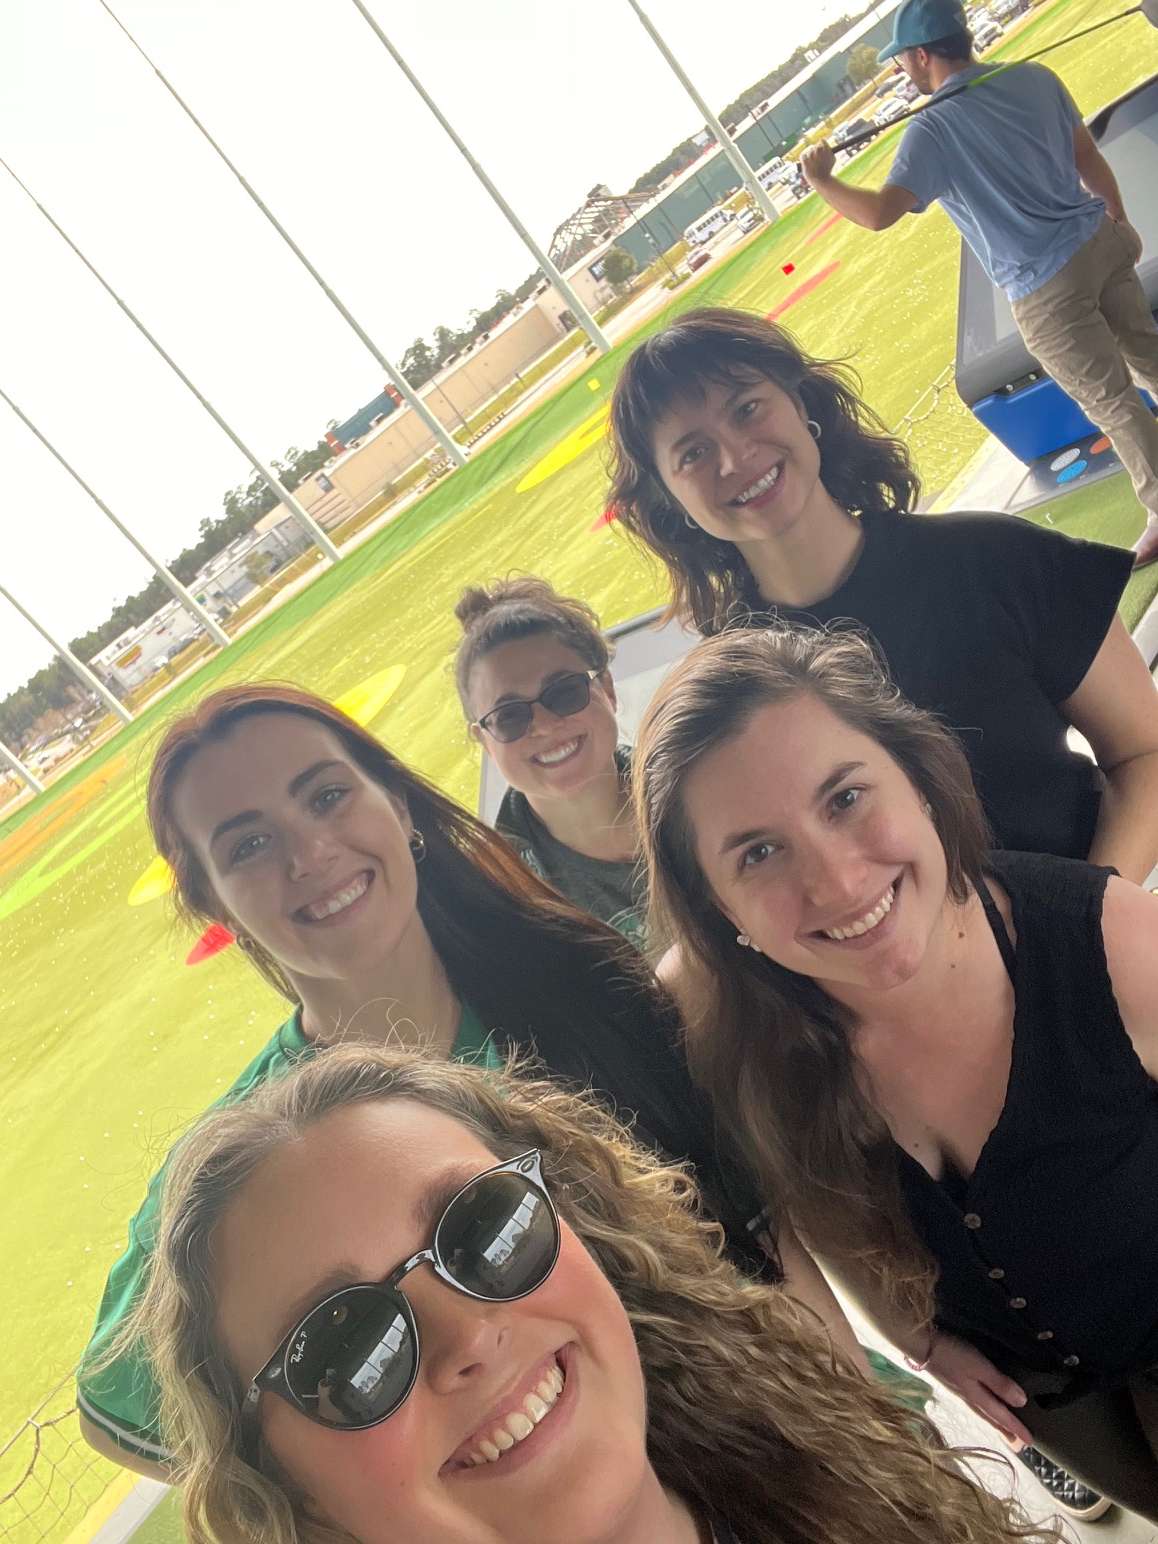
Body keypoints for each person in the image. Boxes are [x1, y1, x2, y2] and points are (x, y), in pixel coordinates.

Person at [76, 682, 851, 1477]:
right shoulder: (252, 1162)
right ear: (218, 908)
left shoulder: (580, 984)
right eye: (248, 846)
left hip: (806, 1439)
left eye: (328, 796)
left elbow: (765, 1247)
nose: (309, 855)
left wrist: (857, 1431)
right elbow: (119, 1406)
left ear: (398, 806)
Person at [114, 1042, 1063, 1544]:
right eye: (345, 1345)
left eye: (483, 1226)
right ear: (293, 1495)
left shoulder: (821, 1464)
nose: (467, 1336)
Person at [633, 623, 1158, 1522]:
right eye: (758, 853)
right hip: (1046, 1405)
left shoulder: (1117, 949)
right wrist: (920, 1341)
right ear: (719, 914)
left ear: (916, 774)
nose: (838, 882)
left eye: (844, 798)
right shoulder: (747, 1038)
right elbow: (814, 1202)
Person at [607, 306, 1158, 885]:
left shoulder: (994, 558)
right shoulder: (732, 685)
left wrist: (1085, 919)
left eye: (747, 409)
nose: (733, 458)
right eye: (693, 452)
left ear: (801, 404)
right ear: (670, 499)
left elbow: (1144, 755)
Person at [799, 0, 1158, 567]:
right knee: (1150, 357)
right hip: (1099, 241)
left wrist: (822, 180)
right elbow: (1087, 156)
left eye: (902, 60)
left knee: (1112, 402)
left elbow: (878, 214)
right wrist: (1117, 218)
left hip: (1046, 287)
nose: (902, 70)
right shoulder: (1034, 76)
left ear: (922, 55)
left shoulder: (932, 128)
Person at [454, 577, 643, 940]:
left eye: (564, 691)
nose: (543, 725)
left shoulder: (698, 785)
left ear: (606, 689)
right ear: (485, 741)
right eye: (509, 716)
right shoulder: (500, 900)